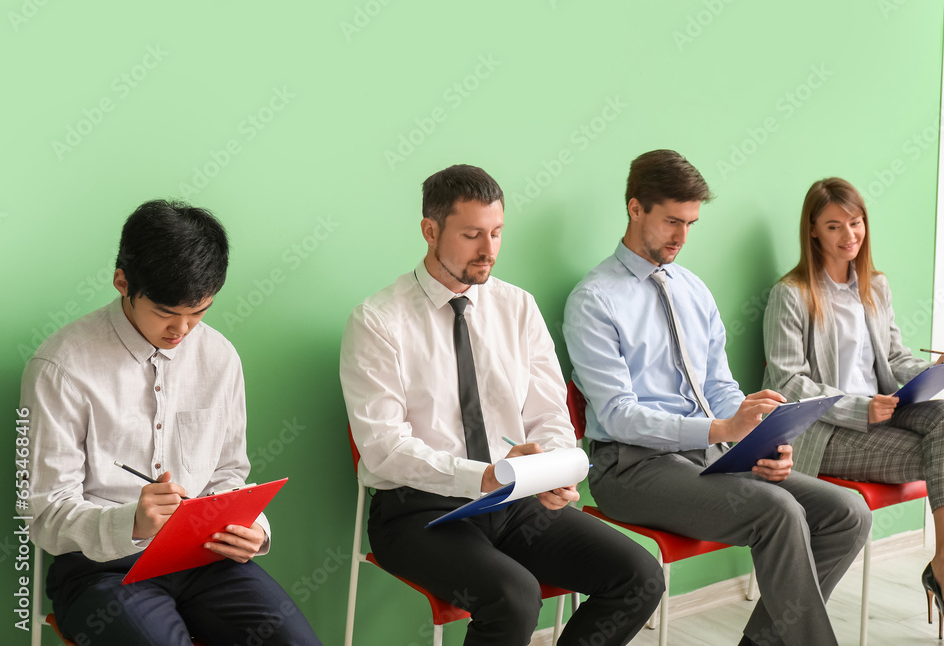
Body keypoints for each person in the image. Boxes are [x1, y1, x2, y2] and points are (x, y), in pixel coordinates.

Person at [340, 164, 663, 646]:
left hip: (515, 499)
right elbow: (383, 448)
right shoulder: (378, 321)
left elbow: (549, 412)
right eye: (472, 235)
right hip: (419, 511)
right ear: (430, 231)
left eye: (495, 233)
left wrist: (554, 470)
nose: (488, 250)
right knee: (514, 598)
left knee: (640, 576)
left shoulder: (518, 307)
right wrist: (483, 476)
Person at [564, 150, 871, 646]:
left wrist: (758, 435)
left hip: (709, 455)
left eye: (690, 223)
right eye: (671, 222)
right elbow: (618, 416)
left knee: (846, 512)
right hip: (631, 468)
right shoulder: (594, 299)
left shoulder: (693, 289)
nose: (681, 237)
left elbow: (719, 387)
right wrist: (719, 431)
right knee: (779, 511)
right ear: (635, 208)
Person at [20, 200, 320, 645]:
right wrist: (133, 523)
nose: (182, 329)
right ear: (123, 282)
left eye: (199, 311)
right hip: (101, 572)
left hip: (204, 559)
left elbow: (228, 472)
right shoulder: (61, 367)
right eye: (165, 312)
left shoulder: (219, 357)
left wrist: (252, 530)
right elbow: (44, 515)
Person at [762, 177, 944, 646]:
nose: (850, 236)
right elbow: (788, 382)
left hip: (884, 411)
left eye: (855, 222)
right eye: (834, 226)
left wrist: (933, 368)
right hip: (825, 432)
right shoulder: (791, 293)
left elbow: (892, 361)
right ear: (812, 231)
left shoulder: (874, 286)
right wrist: (858, 407)